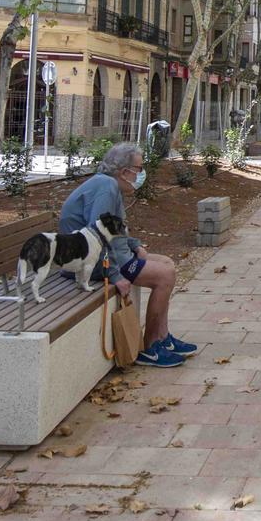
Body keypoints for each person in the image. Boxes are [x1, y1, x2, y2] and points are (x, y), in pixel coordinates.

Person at [58, 141, 192, 368]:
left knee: (167, 263)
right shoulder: (106, 188)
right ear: (124, 172)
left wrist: (134, 244)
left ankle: (163, 336)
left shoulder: (110, 185)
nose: (141, 174)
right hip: (89, 263)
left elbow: (111, 228)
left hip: (103, 257)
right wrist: (116, 275)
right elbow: (96, 235)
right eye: (139, 169)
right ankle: (150, 347)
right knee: (164, 276)